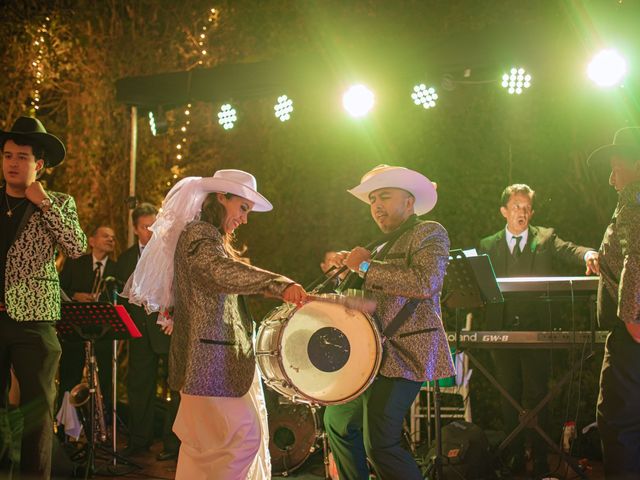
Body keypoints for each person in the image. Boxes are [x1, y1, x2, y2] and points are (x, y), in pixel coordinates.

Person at [123, 170, 306, 480]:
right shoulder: (199, 234)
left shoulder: (205, 237)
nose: (245, 219)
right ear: (222, 198)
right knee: (242, 439)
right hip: (209, 365)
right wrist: (278, 284)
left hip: (208, 365)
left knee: (202, 450)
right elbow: (220, 272)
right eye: (243, 208)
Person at [323, 164, 455, 480]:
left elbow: (425, 283)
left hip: (406, 353)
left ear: (409, 202)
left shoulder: (430, 232)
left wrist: (366, 266)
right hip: (371, 354)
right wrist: (345, 291)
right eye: (372, 200)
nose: (377, 206)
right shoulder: (382, 243)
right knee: (337, 421)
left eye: (384, 196)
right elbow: (378, 303)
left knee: (380, 443)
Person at [477, 183, 599, 476]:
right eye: (517, 207)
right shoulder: (487, 244)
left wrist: (588, 254)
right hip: (501, 332)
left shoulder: (545, 237)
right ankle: (514, 458)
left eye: (528, 207)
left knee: (538, 395)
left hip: (538, 330)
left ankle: (542, 460)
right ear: (504, 211)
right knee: (509, 396)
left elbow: (569, 250)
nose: (523, 212)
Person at [0, 116, 86, 479]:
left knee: (37, 413)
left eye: (22, 156)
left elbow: (77, 247)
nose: (13, 163)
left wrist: (45, 203)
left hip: (34, 320)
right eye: (7, 155)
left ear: (39, 165)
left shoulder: (59, 202)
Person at [588, 127, 640, 479]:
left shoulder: (634, 198)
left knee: (618, 422)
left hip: (632, 334)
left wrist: (634, 323)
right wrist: (602, 260)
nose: (610, 179)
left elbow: (636, 258)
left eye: (616, 167)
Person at [116, 203, 180, 460]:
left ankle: (173, 443)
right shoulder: (126, 259)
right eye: (145, 227)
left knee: (174, 386)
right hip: (138, 333)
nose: (151, 232)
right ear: (134, 229)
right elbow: (123, 298)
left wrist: (172, 318)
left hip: (165, 330)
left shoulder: (170, 253)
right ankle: (139, 439)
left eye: (154, 226)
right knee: (139, 385)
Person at [58, 225, 118, 417]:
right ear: (91, 241)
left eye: (113, 237)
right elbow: (58, 290)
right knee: (70, 375)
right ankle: (66, 424)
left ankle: (103, 421)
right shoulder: (74, 263)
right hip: (75, 332)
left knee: (106, 379)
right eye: (105, 236)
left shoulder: (117, 269)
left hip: (104, 334)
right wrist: (75, 295)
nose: (111, 240)